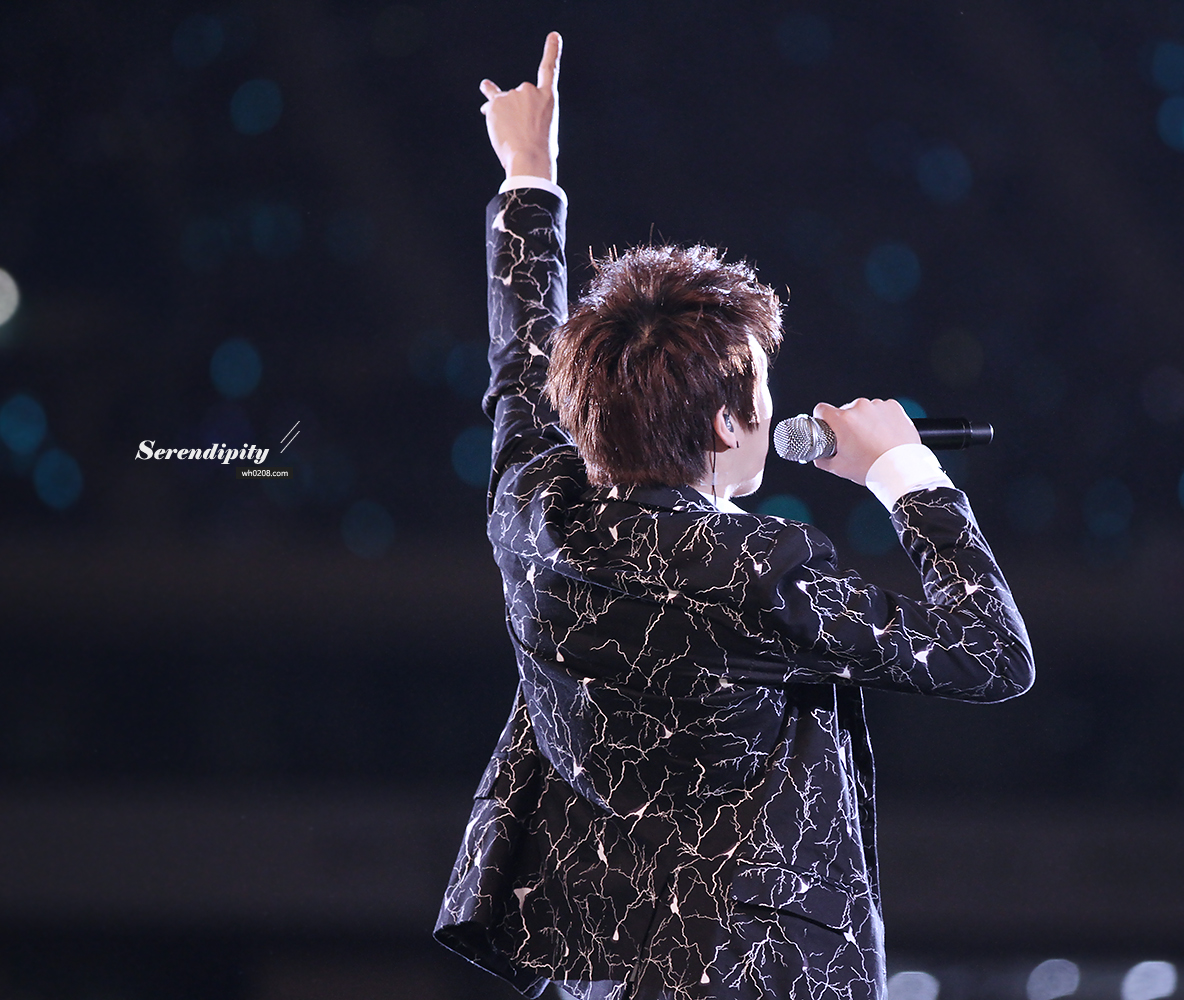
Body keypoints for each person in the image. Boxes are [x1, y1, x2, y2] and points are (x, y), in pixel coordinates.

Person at [435, 32, 1034, 1000]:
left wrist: (528, 173)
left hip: (604, 975)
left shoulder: (531, 510)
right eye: (759, 385)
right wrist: (909, 477)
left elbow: (520, 368)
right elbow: (990, 655)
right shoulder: (754, 566)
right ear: (726, 419)